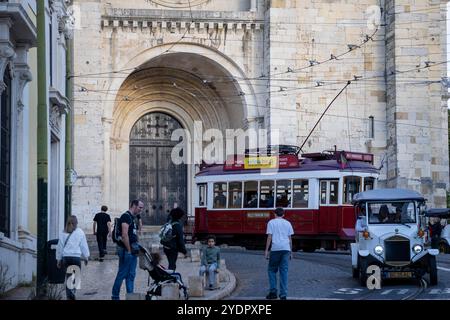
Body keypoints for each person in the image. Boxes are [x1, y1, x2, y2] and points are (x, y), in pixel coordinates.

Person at [111, 199, 144, 300]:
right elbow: (124, 235)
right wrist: (129, 250)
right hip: (126, 250)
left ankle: (130, 295)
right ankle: (115, 296)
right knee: (122, 273)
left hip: (132, 250)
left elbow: (135, 232)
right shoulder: (126, 216)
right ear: (134, 205)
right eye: (140, 207)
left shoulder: (132, 218)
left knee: (131, 274)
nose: (141, 210)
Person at [56, 215, 90, 300]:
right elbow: (83, 246)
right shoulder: (80, 232)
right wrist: (86, 256)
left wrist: (58, 259)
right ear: (76, 223)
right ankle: (73, 292)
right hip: (76, 258)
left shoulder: (63, 232)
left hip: (66, 258)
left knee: (68, 277)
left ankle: (70, 296)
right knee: (76, 276)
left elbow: (60, 247)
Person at [264, 207, 294, 300]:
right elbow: (290, 239)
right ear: (283, 214)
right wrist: (291, 251)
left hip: (275, 248)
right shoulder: (288, 223)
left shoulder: (271, 222)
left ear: (275, 214)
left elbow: (269, 237)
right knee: (284, 272)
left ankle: (273, 292)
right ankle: (283, 294)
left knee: (272, 270)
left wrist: (266, 250)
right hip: (286, 249)